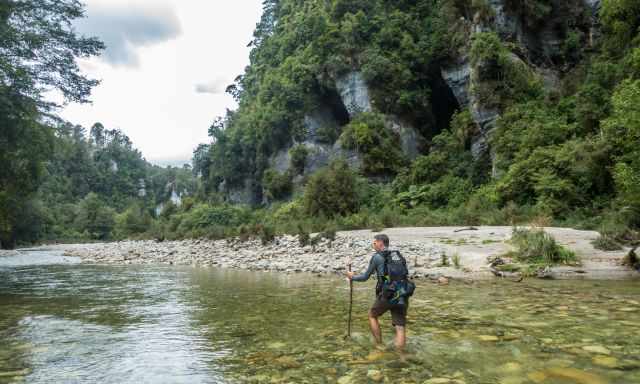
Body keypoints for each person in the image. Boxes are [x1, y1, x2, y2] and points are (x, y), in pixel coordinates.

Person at [347, 234, 409, 350]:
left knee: (372, 315)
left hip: (388, 294)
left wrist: (352, 277)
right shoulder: (396, 255)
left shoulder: (377, 257)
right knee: (400, 327)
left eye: (374, 243)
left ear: (380, 243)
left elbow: (365, 277)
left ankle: (379, 345)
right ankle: (401, 356)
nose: (373, 245)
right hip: (402, 292)